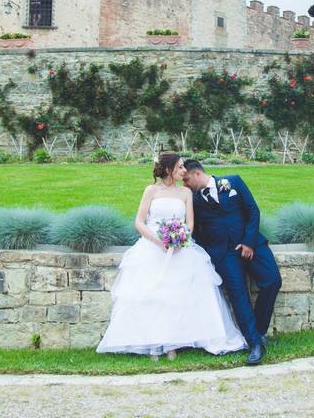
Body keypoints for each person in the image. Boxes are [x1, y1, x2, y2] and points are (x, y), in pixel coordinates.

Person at [96, 151, 246, 360]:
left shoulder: (185, 194)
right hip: (152, 247)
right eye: (181, 167)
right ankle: (158, 343)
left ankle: (179, 341)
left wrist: (181, 239)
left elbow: (190, 223)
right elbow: (139, 222)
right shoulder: (151, 190)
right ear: (169, 169)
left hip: (180, 248)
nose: (184, 171)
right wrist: (159, 242)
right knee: (155, 295)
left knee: (182, 294)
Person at [183, 159, 282, 366]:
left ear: (197, 174)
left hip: (252, 243)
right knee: (238, 295)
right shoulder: (192, 200)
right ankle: (255, 343)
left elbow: (253, 211)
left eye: (186, 180)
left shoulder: (233, 182)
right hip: (223, 253)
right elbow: (196, 231)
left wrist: (248, 242)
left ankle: (259, 330)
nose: (185, 184)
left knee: (272, 280)